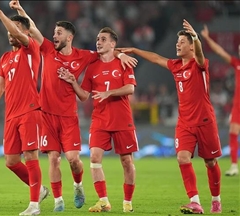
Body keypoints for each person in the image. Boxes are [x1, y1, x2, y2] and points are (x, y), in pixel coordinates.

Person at [10, 0, 137, 212]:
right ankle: (58, 201)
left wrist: (120, 54)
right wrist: (20, 10)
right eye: (54, 32)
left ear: (69, 37)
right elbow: (32, 28)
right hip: (47, 115)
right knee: (53, 159)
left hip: (68, 116)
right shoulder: (48, 49)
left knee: (73, 160)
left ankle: (78, 185)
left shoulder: (83, 56)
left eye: (58, 33)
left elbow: (106, 52)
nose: (54, 36)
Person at [118, 19, 222, 214]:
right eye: (177, 42)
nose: (177, 44)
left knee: (210, 162)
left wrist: (197, 38)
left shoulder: (200, 65)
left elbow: (200, 54)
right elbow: (156, 58)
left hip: (205, 120)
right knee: (182, 158)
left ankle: (216, 200)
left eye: (182, 42)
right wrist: (134, 50)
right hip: (184, 123)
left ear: (191, 47)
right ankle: (195, 201)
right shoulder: (175, 66)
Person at [0, 1, 48, 215]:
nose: (10, 33)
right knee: (11, 161)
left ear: (26, 32)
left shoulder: (31, 48)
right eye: (10, 29)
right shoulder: (5, 58)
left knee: (30, 156)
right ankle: (40, 190)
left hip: (30, 110)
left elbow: (18, 30)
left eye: (15, 28)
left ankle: (34, 206)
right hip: (11, 115)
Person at [58, 27, 138, 213]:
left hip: (122, 119)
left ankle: (127, 202)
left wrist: (110, 92)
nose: (98, 42)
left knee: (126, 161)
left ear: (113, 43)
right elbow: (85, 96)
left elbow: (130, 88)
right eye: (97, 39)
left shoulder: (123, 63)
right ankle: (103, 201)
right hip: (100, 119)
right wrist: (73, 82)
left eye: (103, 39)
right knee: (94, 158)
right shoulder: (92, 66)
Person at [201, 24, 239, 176]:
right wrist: (207, 38)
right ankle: (234, 166)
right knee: (233, 132)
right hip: (238, 105)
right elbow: (220, 51)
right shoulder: (237, 64)